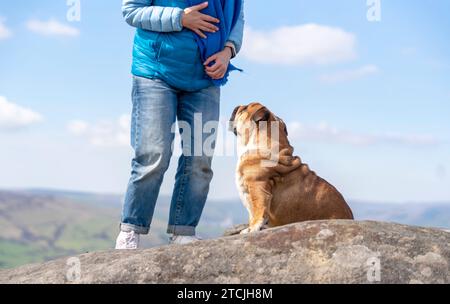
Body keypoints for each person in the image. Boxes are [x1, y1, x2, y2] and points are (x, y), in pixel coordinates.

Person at [115, 0, 245, 249]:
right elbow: (131, 11)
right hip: (155, 71)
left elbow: (237, 18)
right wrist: (179, 18)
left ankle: (183, 230)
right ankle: (132, 228)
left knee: (200, 158)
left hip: (205, 78)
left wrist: (228, 52)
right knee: (153, 154)